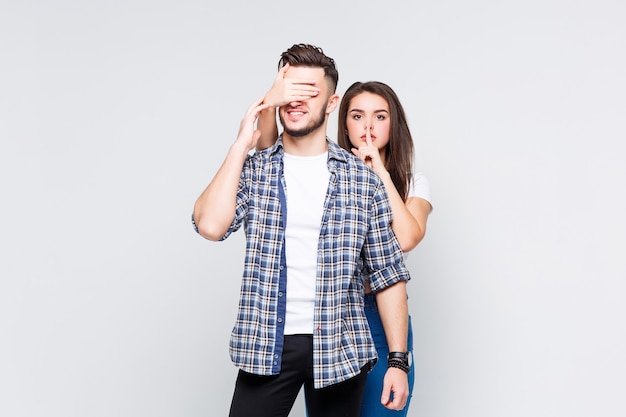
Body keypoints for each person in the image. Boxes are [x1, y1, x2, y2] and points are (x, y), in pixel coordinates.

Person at [191, 44, 411, 417]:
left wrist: (398, 361)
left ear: (330, 103)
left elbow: (388, 273)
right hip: (266, 345)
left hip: (340, 348)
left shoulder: (361, 180)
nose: (295, 101)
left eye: (308, 92)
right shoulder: (256, 169)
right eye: (288, 91)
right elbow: (210, 225)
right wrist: (244, 139)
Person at [256, 76, 432, 417]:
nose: (368, 125)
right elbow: (265, 154)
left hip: (382, 319)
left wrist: (378, 170)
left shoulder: (411, 181)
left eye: (380, 116)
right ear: (343, 123)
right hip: (333, 315)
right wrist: (273, 98)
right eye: (357, 115)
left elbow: (407, 237)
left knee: (383, 410)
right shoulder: (322, 172)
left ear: (394, 125)